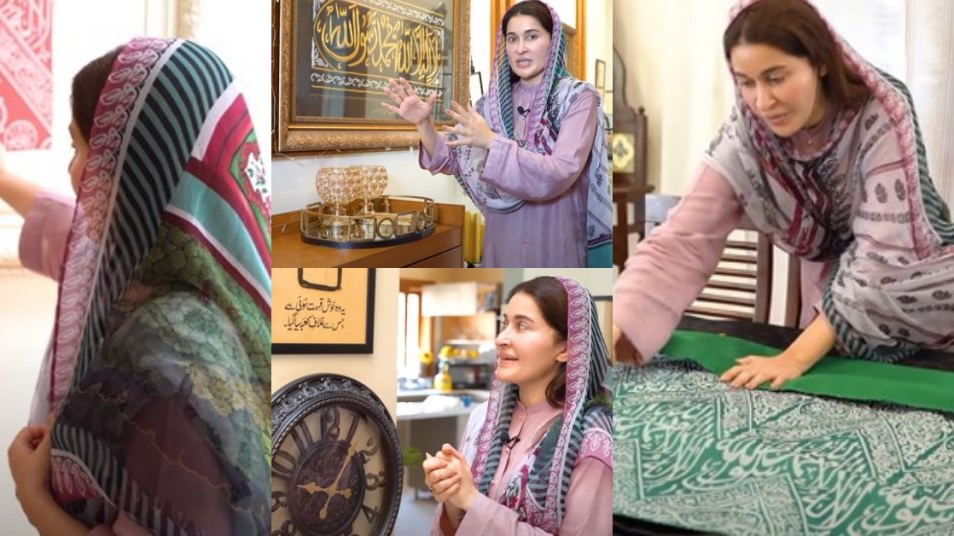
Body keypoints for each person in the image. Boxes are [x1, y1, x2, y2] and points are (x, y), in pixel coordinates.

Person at [0, 37, 271, 534]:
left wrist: (31, 496)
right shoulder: (190, 278)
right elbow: (69, 229)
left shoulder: (165, 357)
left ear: (131, 167)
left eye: (79, 148)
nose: (76, 173)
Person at [613, 0, 954, 389]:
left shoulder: (881, 112)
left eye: (776, 78)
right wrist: (616, 327)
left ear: (820, 62)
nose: (761, 101)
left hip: (927, 298)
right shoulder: (747, 135)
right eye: (746, 81)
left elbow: (881, 256)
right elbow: (682, 240)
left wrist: (793, 358)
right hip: (837, 318)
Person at [382, 0, 612, 268]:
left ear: (554, 41)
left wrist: (491, 141)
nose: (520, 48)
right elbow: (453, 159)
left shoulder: (577, 97)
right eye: (512, 39)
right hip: (501, 239)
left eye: (532, 36)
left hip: (554, 236)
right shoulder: (490, 105)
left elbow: (561, 170)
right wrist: (423, 124)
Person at [422, 276, 612, 535]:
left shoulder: (593, 441)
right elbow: (453, 525)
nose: (501, 338)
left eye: (522, 326)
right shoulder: (483, 419)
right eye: (504, 323)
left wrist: (471, 499)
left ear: (567, 347)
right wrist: (453, 494)